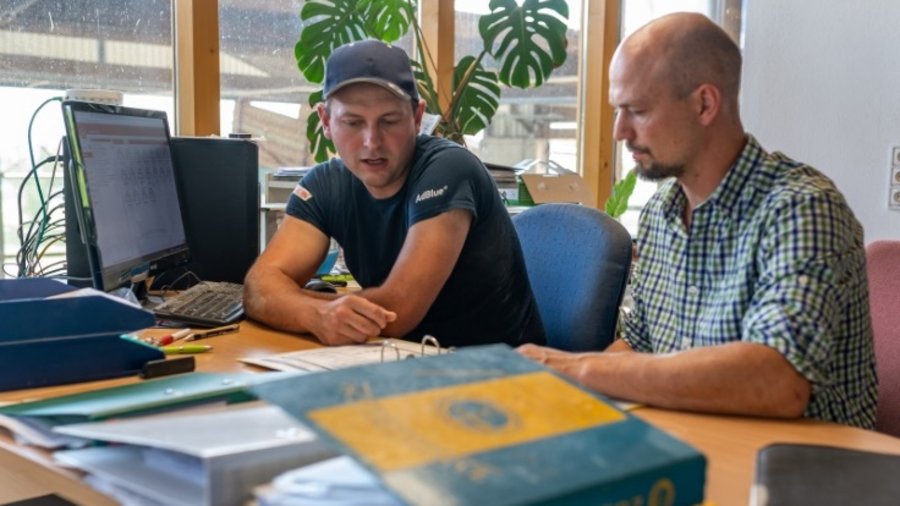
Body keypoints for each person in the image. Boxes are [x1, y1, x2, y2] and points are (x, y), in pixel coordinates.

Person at [518, 12, 878, 428]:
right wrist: (555, 399)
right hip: (696, 440)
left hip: (802, 472)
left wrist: (572, 367)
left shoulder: (802, 210)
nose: (619, 131)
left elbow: (778, 381)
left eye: (636, 110)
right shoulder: (660, 214)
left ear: (704, 104)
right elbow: (638, 345)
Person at [244, 39, 545, 349]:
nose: (372, 141)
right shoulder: (325, 185)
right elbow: (258, 288)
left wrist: (293, 298)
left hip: (496, 373)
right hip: (398, 360)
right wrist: (316, 312)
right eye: (353, 122)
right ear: (325, 122)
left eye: (389, 121)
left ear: (417, 118)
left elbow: (397, 311)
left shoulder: (449, 169)